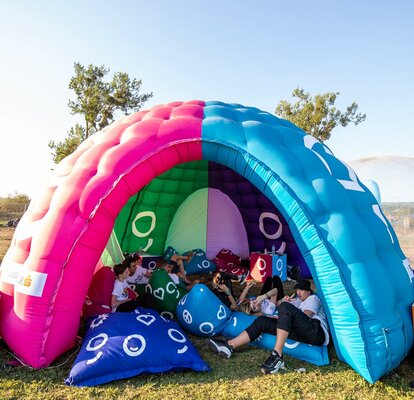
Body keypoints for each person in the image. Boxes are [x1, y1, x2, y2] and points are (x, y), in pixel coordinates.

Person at [207, 278, 329, 374]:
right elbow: (278, 302)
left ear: (309, 291)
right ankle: (229, 346)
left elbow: (306, 316)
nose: (298, 293)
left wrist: (286, 309)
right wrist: (280, 302)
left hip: (315, 332)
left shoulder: (313, 299)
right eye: (297, 290)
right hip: (300, 332)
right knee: (262, 321)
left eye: (301, 290)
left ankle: (277, 356)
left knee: (285, 308)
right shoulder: (297, 301)